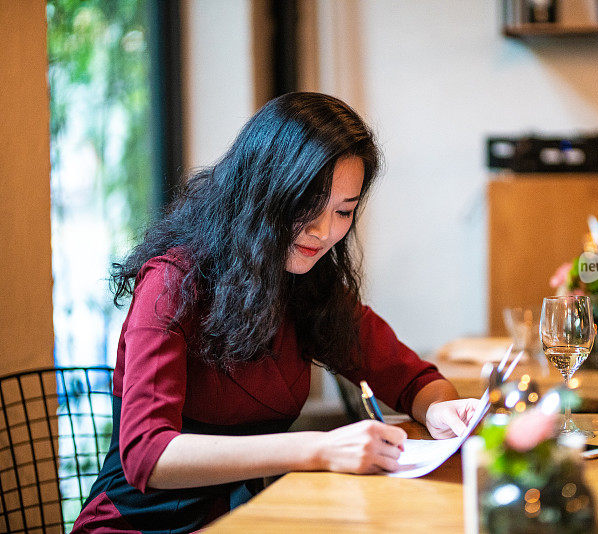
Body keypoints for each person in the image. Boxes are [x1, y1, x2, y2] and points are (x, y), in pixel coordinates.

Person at [71, 92, 480, 533]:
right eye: (308, 203)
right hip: (137, 524)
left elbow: (410, 378)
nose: (324, 233)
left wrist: (439, 408)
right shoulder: (173, 282)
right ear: (264, 188)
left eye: (343, 211)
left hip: (247, 519)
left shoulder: (309, 282)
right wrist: (319, 450)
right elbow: (147, 455)